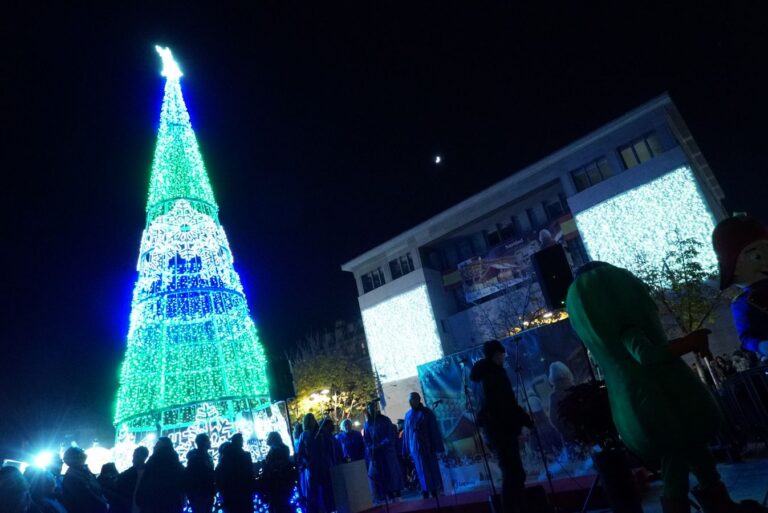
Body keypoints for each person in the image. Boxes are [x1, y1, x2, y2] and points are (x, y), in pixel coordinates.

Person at [567, 261, 768, 513]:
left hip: (656, 407)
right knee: (676, 467)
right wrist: (688, 343)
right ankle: (704, 506)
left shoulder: (608, 333)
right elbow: (647, 354)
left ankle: (720, 504)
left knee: (696, 457)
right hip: (661, 407)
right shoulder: (629, 329)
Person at [470, 339, 533, 513]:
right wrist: (525, 420)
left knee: (512, 473)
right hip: (502, 430)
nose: (504, 357)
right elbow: (505, 403)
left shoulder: (480, 377)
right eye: (502, 353)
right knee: (514, 474)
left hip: (495, 431)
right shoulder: (494, 375)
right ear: (496, 354)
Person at [713, 215, 768, 358]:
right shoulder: (743, 303)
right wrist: (762, 346)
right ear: (734, 267)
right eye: (757, 256)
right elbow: (746, 338)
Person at [402, 392, 444, 499]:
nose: (411, 403)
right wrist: (405, 449)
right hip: (414, 448)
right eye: (410, 401)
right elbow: (406, 433)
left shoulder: (427, 413)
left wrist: (437, 446)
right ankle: (424, 490)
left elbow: (434, 430)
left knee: (430, 469)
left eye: (413, 400)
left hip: (427, 446)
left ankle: (434, 490)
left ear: (418, 400)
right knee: (419, 470)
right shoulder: (407, 415)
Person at [296, 414, 337, 513]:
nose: (311, 422)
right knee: (313, 493)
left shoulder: (323, 433)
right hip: (312, 468)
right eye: (309, 420)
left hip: (324, 465)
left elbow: (329, 448)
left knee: (327, 490)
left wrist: (330, 460)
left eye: (312, 420)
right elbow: (300, 453)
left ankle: (330, 509)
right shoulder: (303, 435)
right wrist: (307, 461)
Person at [363, 401, 403, 503]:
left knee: (392, 472)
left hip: (387, 452)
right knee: (383, 475)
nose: (371, 410)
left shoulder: (385, 420)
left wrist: (380, 445)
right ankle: (388, 495)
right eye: (369, 408)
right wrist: (371, 447)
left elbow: (390, 436)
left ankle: (397, 493)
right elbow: (366, 439)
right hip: (377, 454)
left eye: (372, 408)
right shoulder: (367, 424)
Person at [136, 437, 185, 513]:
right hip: (173, 505)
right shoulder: (176, 464)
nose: (154, 446)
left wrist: (139, 499)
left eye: (157, 444)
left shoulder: (153, 462)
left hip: (152, 505)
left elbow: (144, 483)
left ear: (161, 446)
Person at [61, 446, 109, 513]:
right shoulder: (72, 476)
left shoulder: (83, 470)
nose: (84, 453)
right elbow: (86, 496)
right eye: (81, 451)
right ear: (76, 457)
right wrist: (104, 504)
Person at [215, 433, 254, 513]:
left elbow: (218, 474)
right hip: (244, 491)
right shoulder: (245, 455)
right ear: (239, 442)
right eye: (241, 440)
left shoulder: (225, 458)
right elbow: (249, 472)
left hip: (229, 493)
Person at [260, 431, 294, 513]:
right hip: (282, 482)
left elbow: (276, 465)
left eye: (268, 437)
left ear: (272, 439)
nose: (266, 440)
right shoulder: (283, 448)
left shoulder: (276, 450)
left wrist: (266, 465)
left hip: (277, 483)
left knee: (279, 505)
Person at [185, 434, 216, 513]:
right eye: (208, 440)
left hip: (203, 494)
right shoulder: (198, 458)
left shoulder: (202, 457)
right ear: (204, 442)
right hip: (201, 494)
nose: (210, 442)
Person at [116, 446, 149, 513]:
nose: (133, 459)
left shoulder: (149, 474)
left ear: (144, 458)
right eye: (134, 456)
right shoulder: (128, 473)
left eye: (137, 457)